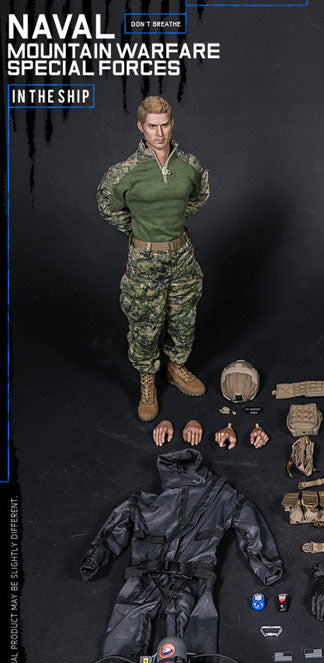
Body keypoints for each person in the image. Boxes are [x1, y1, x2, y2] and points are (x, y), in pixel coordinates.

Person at [97, 96, 209, 421]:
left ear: (172, 124)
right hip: (145, 260)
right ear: (141, 127)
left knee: (184, 317)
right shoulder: (126, 171)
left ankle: (176, 367)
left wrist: (171, 222)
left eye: (164, 125)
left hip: (182, 254)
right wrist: (138, 229)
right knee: (146, 323)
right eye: (152, 126)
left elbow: (200, 195)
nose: (159, 133)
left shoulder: (190, 165)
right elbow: (106, 205)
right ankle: (148, 381)